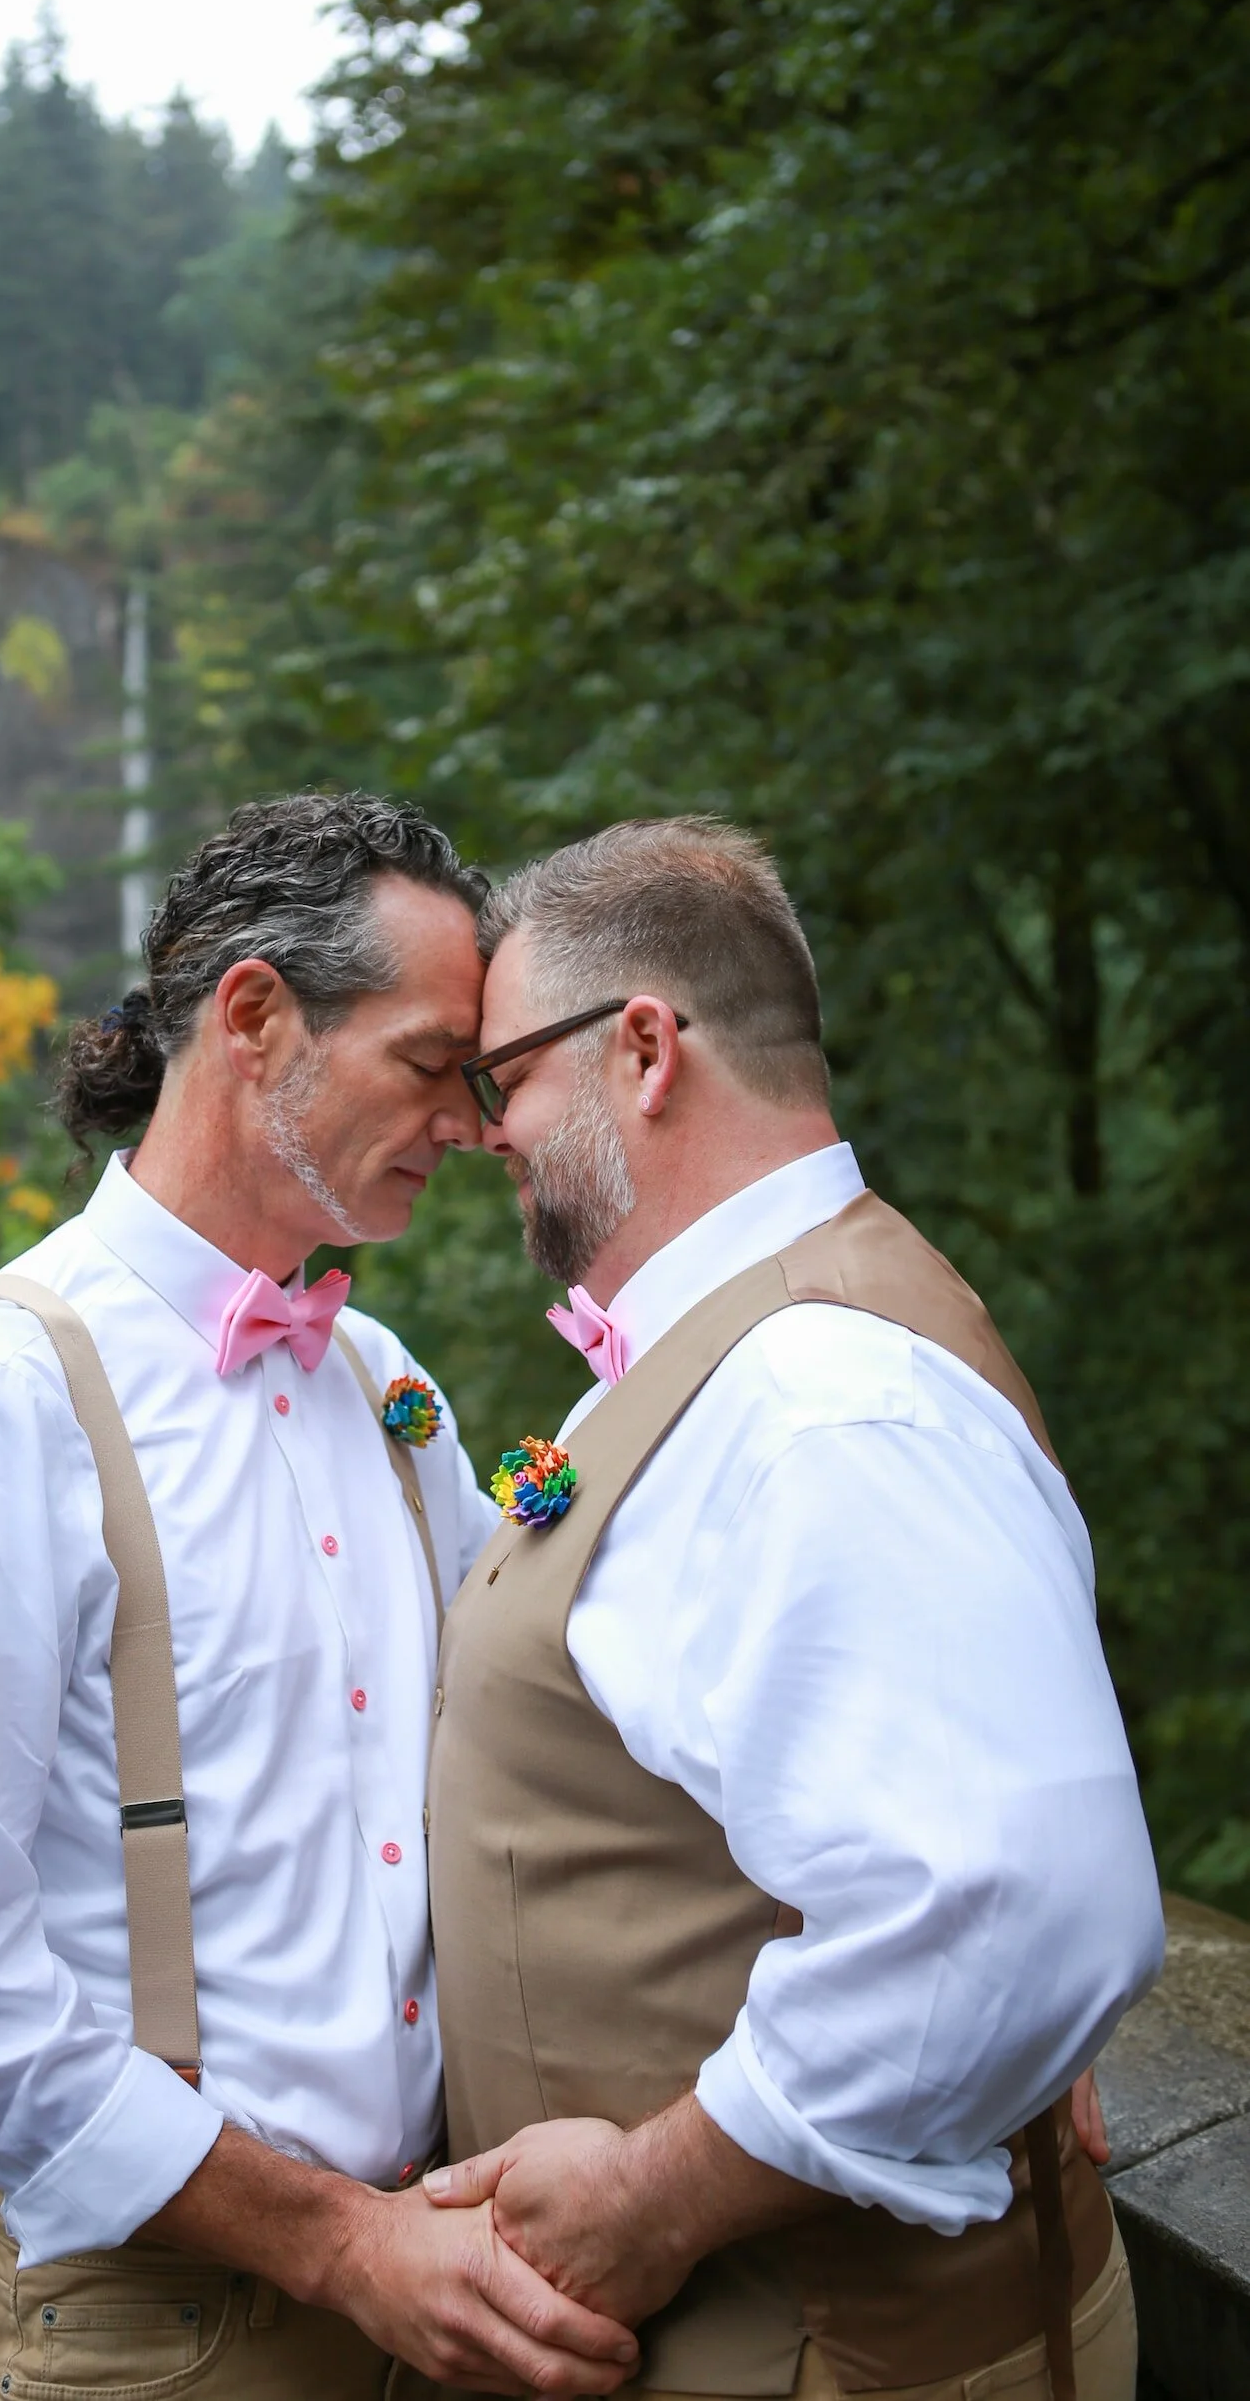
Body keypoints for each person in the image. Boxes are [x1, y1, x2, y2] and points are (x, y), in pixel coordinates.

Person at [0, 794, 639, 2401]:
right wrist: (336, 2244)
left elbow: (573, 1689)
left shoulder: (385, 1387)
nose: (474, 1127)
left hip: (448, 2291)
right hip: (163, 2328)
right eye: (431, 1063)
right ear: (254, 1020)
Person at [421, 815, 1164, 2401]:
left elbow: (1012, 1903)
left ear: (642, 1050)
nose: (486, 1131)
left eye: (504, 1077)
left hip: (828, 2356)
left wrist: (649, 2199)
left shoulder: (818, 1397)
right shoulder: (771, 1345)